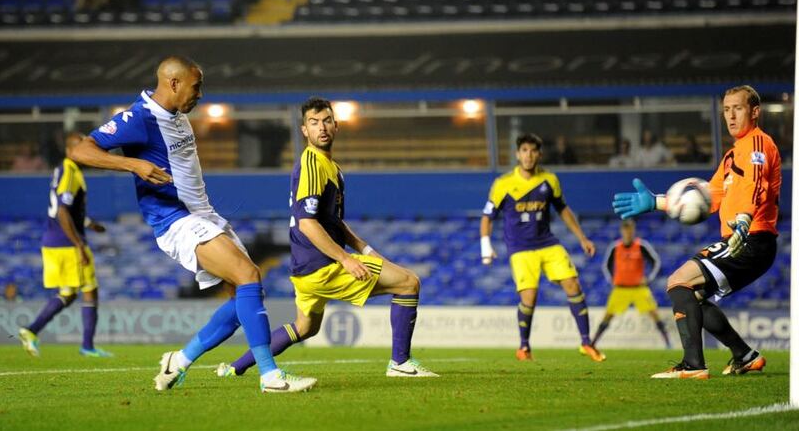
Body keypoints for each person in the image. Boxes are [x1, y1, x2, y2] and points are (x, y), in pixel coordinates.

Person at [69, 56, 316, 393]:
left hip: (204, 215)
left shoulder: (179, 117)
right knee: (248, 275)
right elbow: (82, 151)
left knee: (241, 298)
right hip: (176, 220)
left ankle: (179, 360)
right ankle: (270, 376)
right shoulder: (139, 117)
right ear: (174, 83)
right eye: (196, 86)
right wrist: (133, 165)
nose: (200, 93)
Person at [215, 97, 438, 378]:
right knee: (408, 283)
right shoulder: (312, 163)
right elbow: (308, 224)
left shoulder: (331, 168)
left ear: (336, 126)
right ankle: (400, 363)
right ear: (304, 130)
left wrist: (367, 250)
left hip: (306, 269)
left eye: (326, 121)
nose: (321, 127)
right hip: (322, 266)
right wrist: (345, 259)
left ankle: (235, 367)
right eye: (313, 122)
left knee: (304, 328)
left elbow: (334, 222)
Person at [613, 85, 780, 379]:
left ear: (755, 112)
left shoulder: (757, 144)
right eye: (726, 110)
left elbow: (756, 184)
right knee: (695, 297)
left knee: (679, 281)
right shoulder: (732, 156)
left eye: (737, 108)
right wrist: (655, 202)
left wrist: (743, 220)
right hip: (743, 237)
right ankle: (744, 355)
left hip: (751, 236)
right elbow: (711, 196)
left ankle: (693, 365)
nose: (730, 116)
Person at [480, 133, 605, 362]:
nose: (528, 155)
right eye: (524, 150)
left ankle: (587, 342)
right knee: (530, 297)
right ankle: (524, 347)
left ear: (539, 154)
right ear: (518, 154)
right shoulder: (503, 184)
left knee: (573, 284)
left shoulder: (550, 180)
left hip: (547, 243)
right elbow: (487, 217)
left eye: (533, 150)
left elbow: (563, 209)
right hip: (520, 248)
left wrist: (582, 238)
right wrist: (485, 245)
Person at [17, 132, 111, 358]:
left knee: (68, 293)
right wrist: (79, 245)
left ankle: (31, 331)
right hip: (68, 244)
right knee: (90, 290)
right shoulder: (70, 171)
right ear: (70, 152)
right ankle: (87, 347)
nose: (86, 151)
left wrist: (88, 223)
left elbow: (64, 209)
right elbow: (61, 211)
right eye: (81, 147)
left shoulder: (63, 170)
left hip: (53, 241)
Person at [591, 219, 671, 348]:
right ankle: (593, 343)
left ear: (633, 231)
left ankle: (668, 343)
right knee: (608, 315)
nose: (628, 233)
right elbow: (606, 265)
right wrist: (611, 278)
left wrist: (649, 278)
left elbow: (656, 262)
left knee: (654, 313)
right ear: (622, 231)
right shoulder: (615, 247)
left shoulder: (641, 246)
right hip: (620, 288)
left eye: (630, 230)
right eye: (625, 230)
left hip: (639, 288)